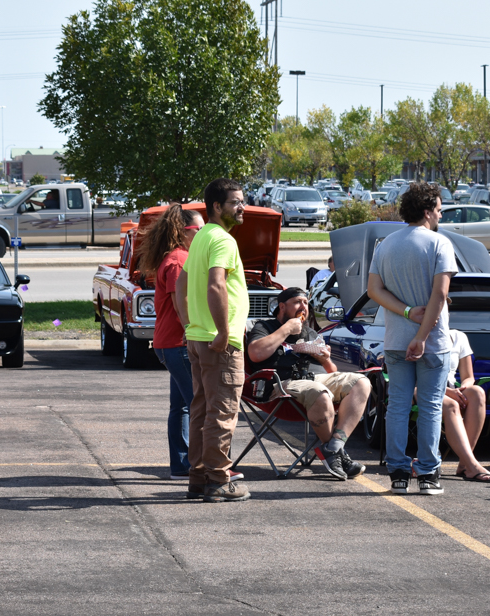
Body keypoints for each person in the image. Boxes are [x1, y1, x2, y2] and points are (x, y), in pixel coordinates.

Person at [367, 182, 457, 496]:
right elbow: (440, 294)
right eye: (439, 210)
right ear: (427, 211)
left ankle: (398, 473)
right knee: (430, 407)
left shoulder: (385, 244)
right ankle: (429, 474)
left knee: (397, 407)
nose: (441, 215)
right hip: (432, 341)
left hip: (395, 339)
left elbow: (374, 291)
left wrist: (406, 312)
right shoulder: (439, 243)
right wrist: (421, 336)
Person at [175, 179, 251, 503]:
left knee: (201, 411)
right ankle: (219, 480)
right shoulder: (221, 239)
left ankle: (199, 478)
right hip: (220, 343)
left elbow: (181, 284)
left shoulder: (202, 236)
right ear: (217, 207)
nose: (242, 207)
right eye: (235, 202)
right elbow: (216, 285)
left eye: (242, 201)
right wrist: (222, 331)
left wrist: (188, 324)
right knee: (222, 413)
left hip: (198, 337)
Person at [246, 287, 370, 480]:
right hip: (282, 384)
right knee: (319, 391)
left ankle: (334, 447)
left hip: (314, 379)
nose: (303, 306)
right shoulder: (265, 326)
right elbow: (255, 354)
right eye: (297, 302)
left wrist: (325, 359)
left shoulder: (310, 332)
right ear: (282, 306)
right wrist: (287, 329)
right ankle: (337, 457)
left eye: (305, 303)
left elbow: (332, 373)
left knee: (360, 382)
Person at [139, 204, 205, 480]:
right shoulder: (179, 261)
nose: (204, 234)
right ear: (184, 231)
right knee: (200, 406)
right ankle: (202, 466)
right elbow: (182, 303)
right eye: (199, 230)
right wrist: (192, 333)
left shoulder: (177, 257)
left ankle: (181, 465)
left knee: (182, 407)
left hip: (170, 343)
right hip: (179, 344)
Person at [443, 329, 490, 483]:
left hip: (451, 388)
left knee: (477, 392)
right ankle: (472, 465)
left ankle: (464, 464)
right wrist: (448, 392)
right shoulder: (416, 333)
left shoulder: (458, 336)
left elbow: (468, 377)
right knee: (451, 404)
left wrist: (462, 390)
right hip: (421, 388)